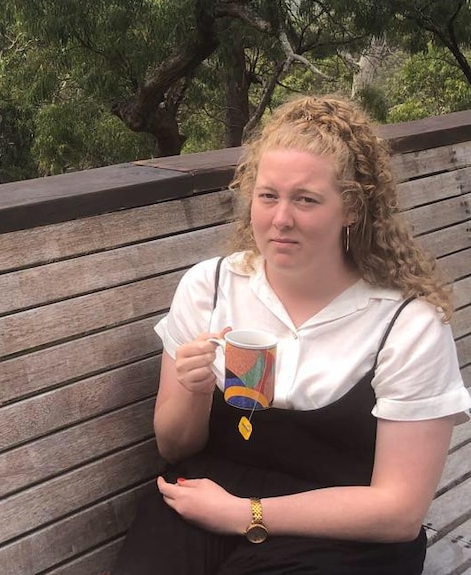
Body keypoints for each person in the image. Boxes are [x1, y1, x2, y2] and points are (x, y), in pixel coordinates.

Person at [110, 95, 471, 575]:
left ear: (352, 209)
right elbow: (174, 449)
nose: (281, 219)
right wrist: (195, 392)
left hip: (344, 530)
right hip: (208, 498)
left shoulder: (406, 324)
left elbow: (399, 512)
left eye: (306, 199)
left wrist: (246, 514)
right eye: (268, 196)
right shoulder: (211, 287)